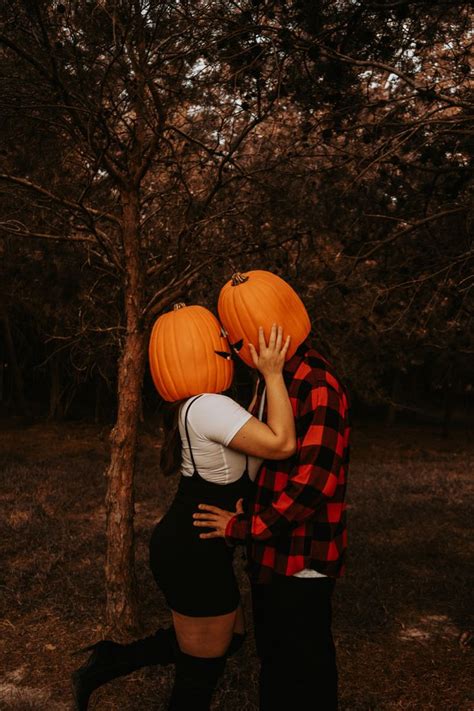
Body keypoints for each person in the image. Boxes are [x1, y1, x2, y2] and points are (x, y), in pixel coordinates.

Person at [71, 317, 295, 711]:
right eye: (219, 339)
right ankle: (107, 663)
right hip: (192, 553)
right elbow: (281, 444)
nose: (227, 343)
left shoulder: (205, 406)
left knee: (233, 638)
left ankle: (110, 660)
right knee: (198, 679)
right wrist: (273, 372)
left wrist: (263, 379)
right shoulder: (209, 405)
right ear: (198, 351)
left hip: (198, 547)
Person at [193, 276, 351, 711]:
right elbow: (271, 460)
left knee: (306, 669)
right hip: (270, 556)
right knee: (277, 665)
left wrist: (243, 526)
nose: (232, 341)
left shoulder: (317, 383)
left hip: (301, 558)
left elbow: (313, 485)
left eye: (238, 333)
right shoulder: (274, 378)